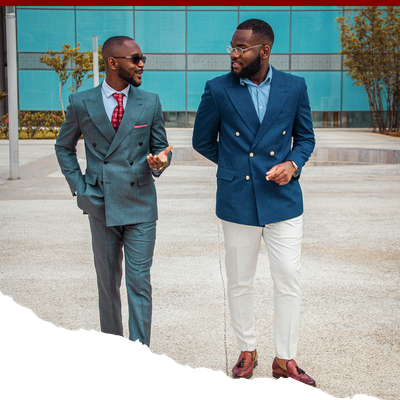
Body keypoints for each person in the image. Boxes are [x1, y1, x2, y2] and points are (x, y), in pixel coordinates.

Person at [192, 19, 316, 385]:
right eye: (231, 47)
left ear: (264, 51)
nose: (233, 54)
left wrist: (293, 164)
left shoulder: (295, 87)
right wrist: (236, 166)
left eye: (240, 48)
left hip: (283, 199)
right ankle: (247, 349)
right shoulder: (217, 89)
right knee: (239, 280)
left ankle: (285, 359)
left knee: (289, 279)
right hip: (238, 200)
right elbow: (203, 141)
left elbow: (305, 138)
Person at [55, 36, 172, 349]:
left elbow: (161, 147)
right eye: (135, 58)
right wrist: (80, 188)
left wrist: (160, 161)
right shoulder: (82, 102)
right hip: (101, 203)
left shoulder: (150, 101)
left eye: (142, 58)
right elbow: (63, 147)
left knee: (139, 283)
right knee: (107, 285)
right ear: (112, 62)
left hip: (141, 205)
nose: (141, 64)